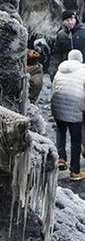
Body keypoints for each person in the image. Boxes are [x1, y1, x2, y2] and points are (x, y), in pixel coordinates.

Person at [51, 49, 85, 181]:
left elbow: (54, 88)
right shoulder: (83, 71)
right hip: (74, 108)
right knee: (76, 140)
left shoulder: (61, 69)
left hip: (57, 107)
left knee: (60, 131)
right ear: (80, 58)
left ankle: (61, 158)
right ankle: (75, 171)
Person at [49, 10, 85, 81]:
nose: (70, 22)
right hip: (66, 69)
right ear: (63, 22)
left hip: (82, 68)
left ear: (75, 19)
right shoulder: (61, 35)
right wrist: (53, 71)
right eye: (67, 20)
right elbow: (56, 54)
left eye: (71, 19)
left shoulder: (83, 31)